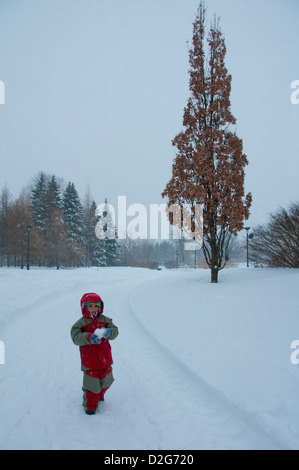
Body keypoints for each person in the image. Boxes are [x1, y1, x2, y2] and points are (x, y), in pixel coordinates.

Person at [70, 292, 119, 415]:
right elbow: (75, 336)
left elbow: (115, 330)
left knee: (107, 380)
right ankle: (90, 405)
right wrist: (89, 337)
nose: (93, 309)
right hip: (89, 360)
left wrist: (109, 332)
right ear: (85, 307)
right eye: (90, 306)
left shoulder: (105, 320)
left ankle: (100, 394)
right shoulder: (80, 323)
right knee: (92, 385)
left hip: (105, 358)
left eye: (96, 306)